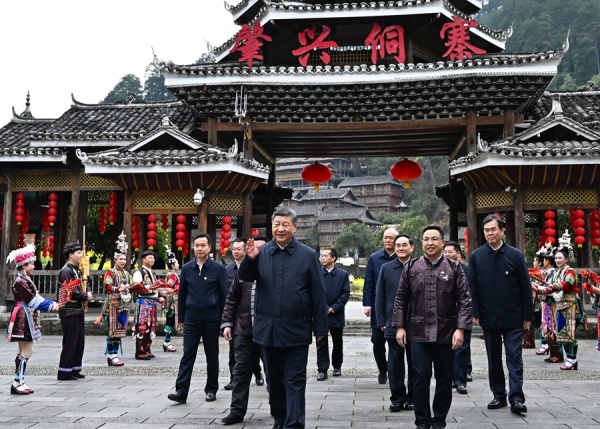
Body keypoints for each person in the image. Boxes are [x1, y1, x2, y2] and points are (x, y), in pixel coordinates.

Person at [239, 207, 328, 429]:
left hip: (296, 329)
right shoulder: (262, 252)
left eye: (285, 224)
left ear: (294, 227)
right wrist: (249, 260)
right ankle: (280, 420)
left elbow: (318, 294)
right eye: (276, 224)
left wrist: (320, 329)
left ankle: (294, 424)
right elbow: (246, 277)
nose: (280, 229)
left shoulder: (307, 255)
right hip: (267, 330)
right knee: (274, 381)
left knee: (295, 380)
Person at [393, 226, 472, 429]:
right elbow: (400, 299)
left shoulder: (454, 268)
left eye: (434, 239)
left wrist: (461, 328)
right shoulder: (411, 267)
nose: (430, 243)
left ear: (442, 242)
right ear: (421, 243)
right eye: (426, 239)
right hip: (417, 332)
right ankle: (422, 420)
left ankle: (439, 420)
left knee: (444, 378)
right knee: (420, 377)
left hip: (446, 332)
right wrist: (400, 326)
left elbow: (464, 300)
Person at [468, 214, 533, 414]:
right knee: (493, 358)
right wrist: (475, 311)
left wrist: (527, 316)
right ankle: (499, 395)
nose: (490, 233)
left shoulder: (515, 255)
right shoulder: (477, 256)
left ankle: (517, 398)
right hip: (489, 317)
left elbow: (525, 287)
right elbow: (473, 287)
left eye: (493, 229)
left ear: (502, 231)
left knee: (514, 358)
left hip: (513, 316)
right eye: (486, 230)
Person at [168, 233, 229, 404]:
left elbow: (225, 295)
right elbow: (182, 294)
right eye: (197, 245)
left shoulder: (218, 269)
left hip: (211, 318)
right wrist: (181, 318)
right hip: (191, 318)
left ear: (209, 247)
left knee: (212, 354)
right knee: (188, 354)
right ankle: (181, 391)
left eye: (203, 245)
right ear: (193, 248)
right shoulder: (187, 268)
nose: (200, 248)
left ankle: (211, 389)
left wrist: (225, 320)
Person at [220, 236, 269, 425]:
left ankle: (278, 408)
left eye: (261, 248)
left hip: (268, 332)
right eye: (254, 247)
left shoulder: (273, 271)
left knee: (273, 373)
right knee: (240, 372)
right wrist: (227, 323)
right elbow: (232, 298)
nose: (257, 251)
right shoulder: (243, 272)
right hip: (244, 329)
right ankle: (236, 411)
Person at [6, 244, 59, 394]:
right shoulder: (21, 281)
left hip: (23, 314)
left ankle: (19, 381)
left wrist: (51, 303)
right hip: (23, 316)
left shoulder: (24, 279)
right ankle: (17, 382)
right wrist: (51, 306)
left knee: (23, 351)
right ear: (24, 265)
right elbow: (33, 300)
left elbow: (36, 298)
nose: (33, 266)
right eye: (31, 264)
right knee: (27, 351)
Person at [375, 234, 414, 412]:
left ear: (412, 247)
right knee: (395, 363)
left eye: (404, 245)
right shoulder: (386, 268)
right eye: (398, 245)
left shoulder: (419, 266)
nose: (401, 248)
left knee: (415, 363)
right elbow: (380, 296)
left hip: (416, 323)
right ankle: (397, 398)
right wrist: (382, 320)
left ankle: (412, 397)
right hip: (392, 321)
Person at [533, 238, 580, 370]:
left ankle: (572, 359)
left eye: (560, 258)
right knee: (561, 334)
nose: (558, 260)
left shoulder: (570, 271)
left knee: (569, 333)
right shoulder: (558, 272)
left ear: (566, 259)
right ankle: (570, 359)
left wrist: (548, 288)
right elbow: (553, 287)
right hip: (560, 306)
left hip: (569, 306)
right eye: (556, 258)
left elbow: (566, 285)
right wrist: (541, 289)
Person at [223, 238, 264, 390]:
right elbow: (230, 297)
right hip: (240, 320)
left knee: (262, 355)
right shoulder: (228, 270)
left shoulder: (268, 268)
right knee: (236, 354)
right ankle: (234, 380)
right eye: (233, 249)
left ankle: (258, 373)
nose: (235, 251)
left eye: (238, 249)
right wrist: (226, 322)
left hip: (262, 321)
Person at [363, 227, 398, 384]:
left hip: (397, 306)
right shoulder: (374, 258)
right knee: (377, 341)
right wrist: (367, 305)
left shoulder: (402, 257)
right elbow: (369, 282)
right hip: (379, 306)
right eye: (385, 237)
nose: (388, 240)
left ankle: (393, 370)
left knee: (395, 342)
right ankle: (382, 368)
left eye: (391, 238)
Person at [57, 242, 92, 381]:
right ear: (70, 255)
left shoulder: (78, 270)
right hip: (69, 311)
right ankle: (64, 371)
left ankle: (75, 369)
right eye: (78, 253)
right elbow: (69, 291)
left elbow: (84, 285)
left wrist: (88, 292)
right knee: (70, 342)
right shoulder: (66, 271)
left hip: (78, 310)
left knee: (79, 342)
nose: (81, 255)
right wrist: (85, 295)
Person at [316, 248, 350, 380]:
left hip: (336, 313)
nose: (323, 258)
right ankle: (322, 369)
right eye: (322, 256)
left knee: (337, 341)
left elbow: (345, 293)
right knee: (321, 342)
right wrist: (324, 307)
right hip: (321, 313)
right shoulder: (318, 273)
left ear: (333, 258)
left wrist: (334, 308)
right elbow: (315, 292)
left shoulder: (342, 274)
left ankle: (337, 366)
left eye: (326, 256)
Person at [443, 240, 472, 395]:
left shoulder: (467, 270)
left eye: (450, 252)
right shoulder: (439, 269)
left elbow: (472, 292)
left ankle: (460, 381)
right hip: (445, 315)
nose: (447, 254)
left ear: (458, 253)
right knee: (445, 349)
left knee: (462, 348)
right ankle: (448, 378)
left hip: (463, 313)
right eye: (445, 252)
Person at [101, 232, 133, 366]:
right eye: (120, 259)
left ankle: (114, 354)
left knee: (120, 330)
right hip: (113, 304)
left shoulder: (127, 274)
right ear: (115, 259)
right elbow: (107, 286)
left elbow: (132, 285)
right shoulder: (110, 272)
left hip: (123, 304)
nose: (123, 261)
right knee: (113, 330)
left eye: (124, 259)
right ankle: (111, 355)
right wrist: (119, 288)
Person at [132, 250, 159, 360]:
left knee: (151, 326)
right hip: (143, 302)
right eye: (150, 258)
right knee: (142, 326)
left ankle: (147, 349)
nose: (152, 260)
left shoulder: (152, 272)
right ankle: (140, 352)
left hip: (152, 302)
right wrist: (152, 289)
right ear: (143, 260)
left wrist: (160, 294)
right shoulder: (139, 273)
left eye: (153, 258)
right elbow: (138, 288)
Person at [160, 247, 180, 353]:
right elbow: (169, 286)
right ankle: (167, 342)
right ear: (172, 265)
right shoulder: (172, 275)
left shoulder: (171, 274)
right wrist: (177, 289)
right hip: (172, 302)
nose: (178, 265)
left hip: (170, 301)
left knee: (170, 321)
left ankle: (167, 341)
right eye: (177, 263)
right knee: (170, 321)